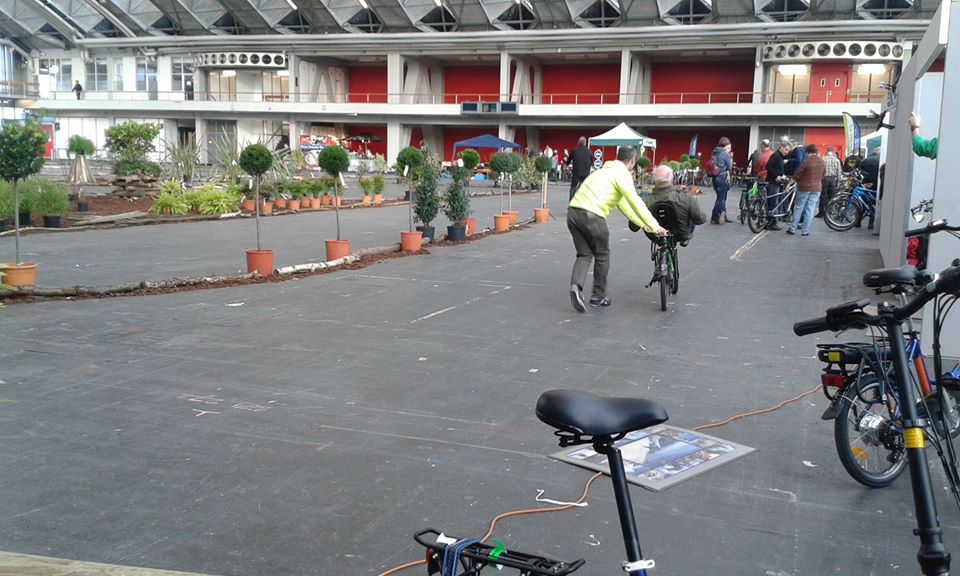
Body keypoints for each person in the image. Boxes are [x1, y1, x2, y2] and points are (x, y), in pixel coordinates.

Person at [567, 145, 667, 312]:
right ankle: (598, 296)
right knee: (602, 255)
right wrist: (655, 226)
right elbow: (635, 202)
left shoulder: (601, 172)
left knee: (584, 254)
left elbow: (623, 206)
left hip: (573, 212)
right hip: (592, 215)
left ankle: (576, 286)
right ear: (632, 161)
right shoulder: (622, 174)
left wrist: (643, 224)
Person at [642, 164, 707, 246]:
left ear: (654, 179)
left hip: (655, 236)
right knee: (692, 209)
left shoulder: (644, 201)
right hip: (680, 234)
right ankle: (687, 237)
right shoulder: (685, 196)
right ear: (672, 178)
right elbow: (700, 219)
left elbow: (633, 226)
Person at [787, 144, 825, 236]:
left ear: (808, 152)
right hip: (817, 188)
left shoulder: (806, 162)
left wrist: (789, 183)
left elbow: (797, 174)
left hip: (804, 187)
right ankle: (805, 231)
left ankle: (792, 228)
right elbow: (824, 174)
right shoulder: (822, 161)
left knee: (799, 208)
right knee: (810, 209)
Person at [763, 141, 791, 231]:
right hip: (772, 182)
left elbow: (776, 168)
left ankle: (771, 222)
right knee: (773, 203)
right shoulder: (776, 155)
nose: (787, 152)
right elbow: (768, 166)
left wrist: (782, 175)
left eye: (788, 151)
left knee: (774, 203)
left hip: (776, 182)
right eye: (786, 150)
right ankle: (772, 223)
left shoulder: (780, 156)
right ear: (781, 147)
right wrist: (776, 176)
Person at [709, 137, 733, 224]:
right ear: (724, 146)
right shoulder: (724, 154)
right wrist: (730, 158)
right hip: (722, 177)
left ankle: (719, 216)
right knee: (721, 199)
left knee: (720, 197)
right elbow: (730, 167)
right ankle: (716, 217)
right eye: (728, 148)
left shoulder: (715, 152)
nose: (730, 150)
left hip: (715, 177)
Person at [818, 146, 842, 217]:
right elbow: (839, 172)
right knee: (832, 196)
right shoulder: (836, 160)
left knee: (823, 196)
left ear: (827, 151)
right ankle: (830, 212)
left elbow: (820, 170)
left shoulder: (823, 159)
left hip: (824, 179)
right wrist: (838, 182)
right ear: (833, 151)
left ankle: (821, 213)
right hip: (832, 179)